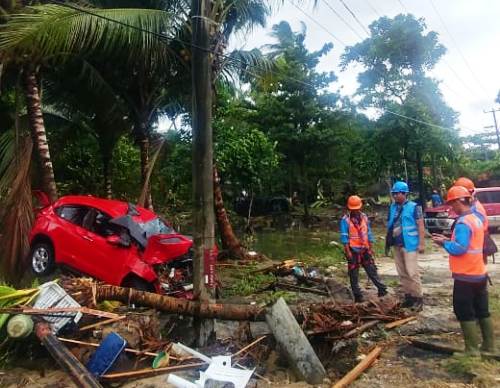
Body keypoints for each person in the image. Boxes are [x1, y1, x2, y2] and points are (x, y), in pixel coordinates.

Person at [431, 186, 495, 355]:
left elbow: (459, 249)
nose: (452, 207)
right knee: (482, 309)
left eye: (452, 203)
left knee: (464, 310)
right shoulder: (476, 219)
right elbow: (471, 243)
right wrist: (447, 239)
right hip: (479, 273)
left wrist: (443, 243)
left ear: (460, 201)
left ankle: (472, 350)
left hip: (465, 276)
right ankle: (489, 346)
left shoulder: (463, 222)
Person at [340, 195, 387, 303]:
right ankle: (358, 296)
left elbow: (368, 233)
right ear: (349, 209)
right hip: (353, 250)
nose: (356, 211)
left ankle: (382, 289)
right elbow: (344, 237)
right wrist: (348, 251)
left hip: (365, 249)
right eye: (353, 209)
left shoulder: (365, 217)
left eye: (357, 208)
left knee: (371, 270)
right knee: (354, 274)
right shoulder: (345, 220)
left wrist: (370, 247)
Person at [386, 181, 425, 311]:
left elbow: (420, 225)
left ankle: (418, 298)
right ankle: (408, 297)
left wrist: (421, 243)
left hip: (410, 245)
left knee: (412, 272)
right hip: (397, 244)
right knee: (402, 272)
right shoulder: (392, 207)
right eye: (394, 194)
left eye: (397, 193)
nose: (395, 196)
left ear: (405, 194)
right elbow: (390, 224)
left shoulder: (414, 207)